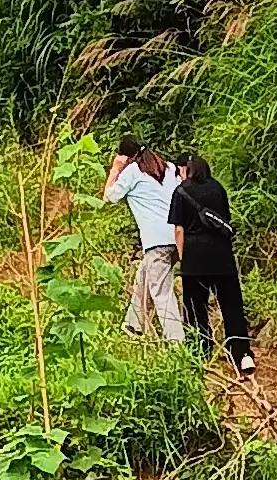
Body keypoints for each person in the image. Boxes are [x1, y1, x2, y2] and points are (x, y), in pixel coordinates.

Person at [167, 151, 254, 371]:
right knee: (231, 306)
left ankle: (200, 353)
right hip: (222, 256)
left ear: (185, 169)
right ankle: (242, 354)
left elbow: (179, 230)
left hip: (194, 258)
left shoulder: (181, 191)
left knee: (195, 309)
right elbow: (225, 221)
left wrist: (184, 258)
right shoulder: (218, 188)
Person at [101, 142, 185, 344]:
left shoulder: (132, 171)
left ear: (125, 156)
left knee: (161, 292)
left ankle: (177, 341)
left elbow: (109, 197)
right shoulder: (168, 167)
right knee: (144, 275)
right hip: (177, 236)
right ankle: (134, 324)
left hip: (156, 241)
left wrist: (115, 169)